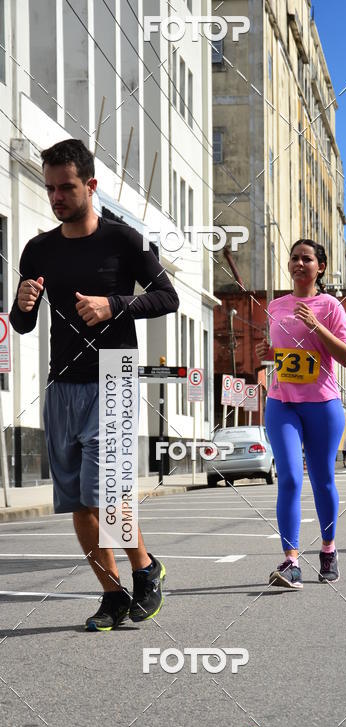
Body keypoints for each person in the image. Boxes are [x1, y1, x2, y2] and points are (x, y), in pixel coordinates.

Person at [9, 138, 179, 629]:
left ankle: (144, 569)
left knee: (105, 492)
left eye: (66, 187)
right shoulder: (38, 249)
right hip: (61, 383)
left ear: (90, 185)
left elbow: (167, 298)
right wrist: (21, 305)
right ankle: (112, 593)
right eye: (50, 188)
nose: (56, 197)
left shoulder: (126, 240)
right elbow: (22, 325)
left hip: (115, 375)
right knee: (77, 503)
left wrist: (114, 305)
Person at [255, 239, 346, 588]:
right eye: (294, 258)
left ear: (320, 267)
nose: (299, 263)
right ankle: (291, 562)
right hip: (282, 402)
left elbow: (345, 356)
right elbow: (286, 352)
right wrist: (267, 352)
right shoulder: (276, 306)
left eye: (306, 259)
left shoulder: (330, 306)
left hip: (322, 404)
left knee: (322, 479)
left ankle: (328, 549)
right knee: (290, 478)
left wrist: (316, 325)